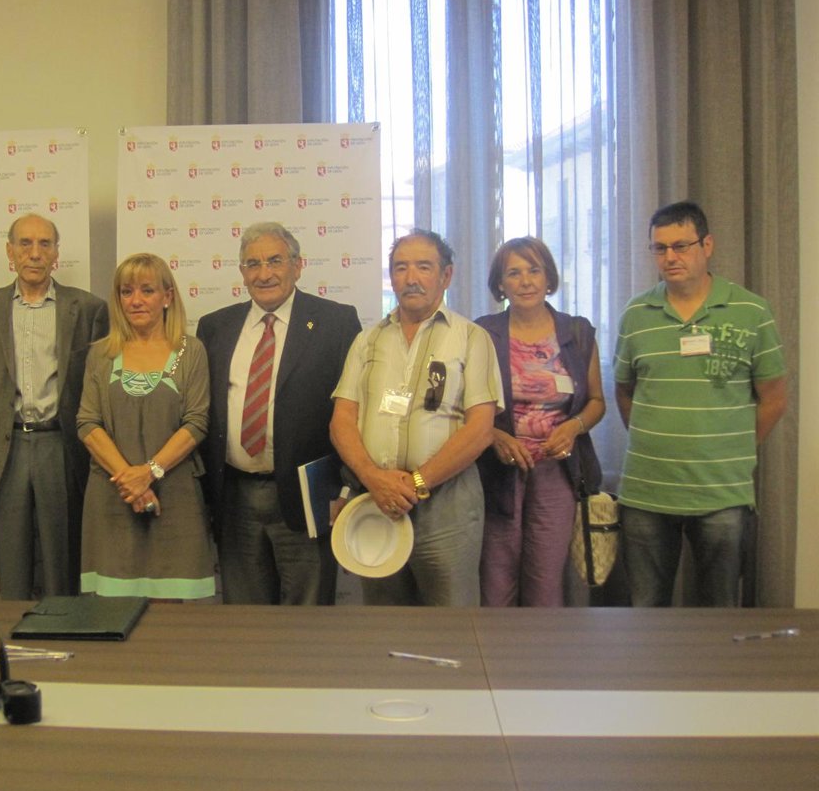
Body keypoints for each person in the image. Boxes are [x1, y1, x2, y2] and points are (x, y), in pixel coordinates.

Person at [614, 201, 787, 607]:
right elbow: (624, 391)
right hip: (647, 491)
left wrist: (732, 447)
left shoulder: (751, 311)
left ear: (707, 245)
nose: (670, 257)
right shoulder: (637, 313)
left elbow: (775, 398)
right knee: (646, 609)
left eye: (681, 246)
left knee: (720, 610)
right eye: (660, 248)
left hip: (721, 493)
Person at [331, 230, 503, 606]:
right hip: (377, 502)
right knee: (385, 623)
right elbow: (342, 419)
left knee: (453, 623)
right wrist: (372, 478)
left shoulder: (472, 338)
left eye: (423, 267)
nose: (411, 278)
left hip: (447, 510)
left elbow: (480, 429)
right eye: (400, 268)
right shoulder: (367, 340)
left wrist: (417, 483)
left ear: (446, 275)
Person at [196, 222, 360, 605]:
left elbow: (356, 412)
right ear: (241, 272)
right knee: (246, 620)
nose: (264, 273)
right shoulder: (215, 327)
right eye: (252, 264)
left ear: (297, 266)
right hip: (234, 498)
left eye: (275, 261)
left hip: (309, 497)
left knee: (309, 620)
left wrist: (348, 488)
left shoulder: (335, 323)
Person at [0, 213, 107, 599]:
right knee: (12, 573)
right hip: (6, 450)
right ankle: (14, 634)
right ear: (9, 251)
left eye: (45, 244)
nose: (35, 253)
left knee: (64, 570)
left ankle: (65, 631)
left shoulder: (88, 309)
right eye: (25, 243)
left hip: (61, 447)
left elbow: (96, 388)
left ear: (57, 253)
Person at [474, 237, 606, 607]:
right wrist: (493, 434)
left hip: (556, 472)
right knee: (496, 583)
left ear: (549, 277)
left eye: (534, 270)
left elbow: (597, 402)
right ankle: (497, 646)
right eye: (513, 273)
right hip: (498, 473)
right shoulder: (482, 334)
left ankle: (542, 646)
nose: (526, 281)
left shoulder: (577, 333)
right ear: (501, 284)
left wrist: (573, 426)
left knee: (546, 583)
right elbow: (462, 407)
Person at [76, 253, 213, 599]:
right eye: (127, 292)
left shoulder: (189, 351)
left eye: (147, 290)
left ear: (168, 297)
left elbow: (196, 422)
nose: (135, 300)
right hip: (112, 498)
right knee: (111, 611)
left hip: (175, 500)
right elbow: (87, 423)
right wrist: (132, 480)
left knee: (174, 614)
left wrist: (149, 472)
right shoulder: (102, 353)